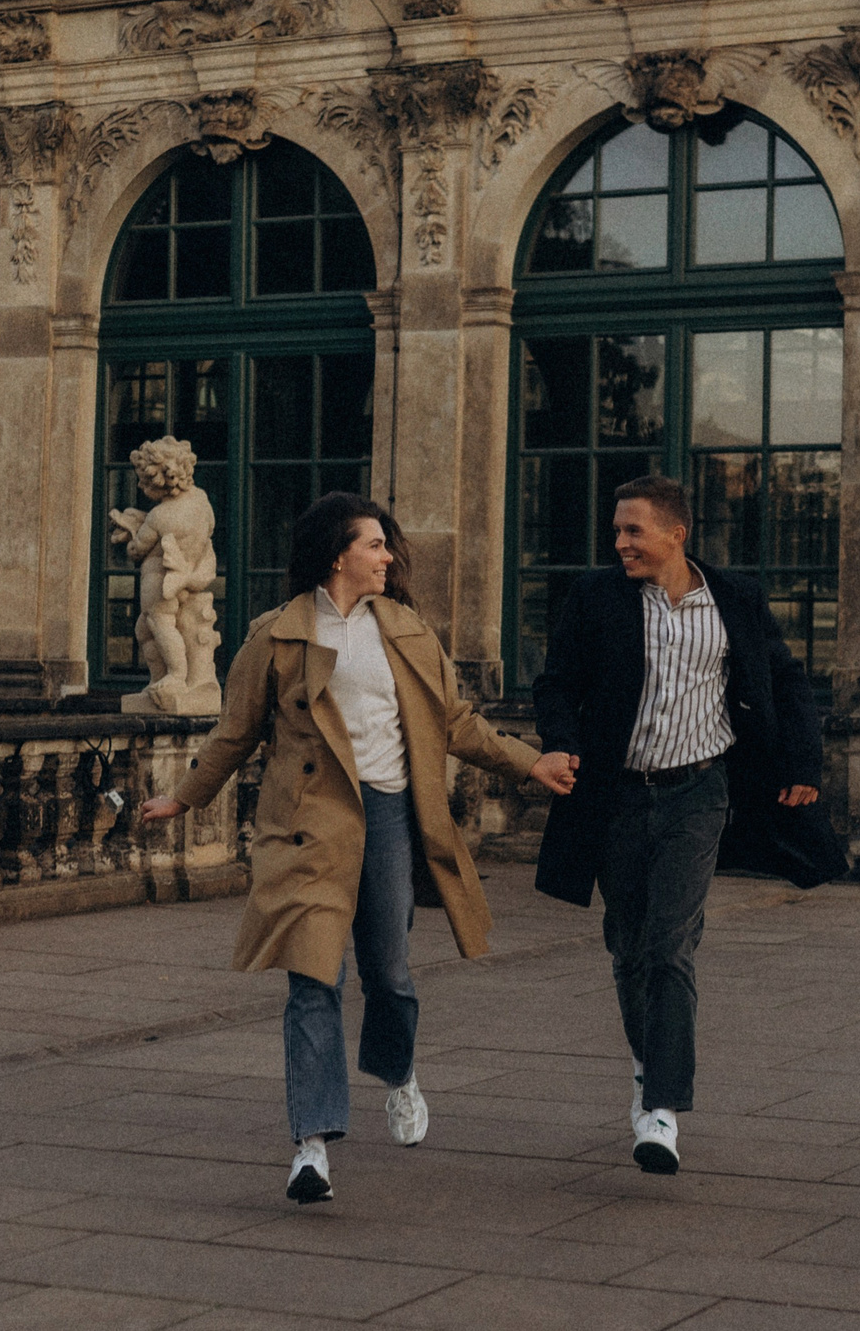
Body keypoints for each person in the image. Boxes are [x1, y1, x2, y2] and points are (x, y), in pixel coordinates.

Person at [143, 493, 578, 1203]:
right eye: (374, 544)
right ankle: (311, 1145)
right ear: (337, 555)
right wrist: (183, 797)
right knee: (314, 979)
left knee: (390, 972)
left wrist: (532, 763)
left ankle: (398, 1072)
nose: (387, 556)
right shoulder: (277, 636)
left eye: (385, 544)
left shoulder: (406, 629)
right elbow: (235, 731)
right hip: (310, 821)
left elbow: (457, 723)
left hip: (391, 814)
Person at [531, 473, 838, 1174]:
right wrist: (558, 740)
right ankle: (650, 1064)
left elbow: (785, 679)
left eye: (633, 530)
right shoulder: (596, 597)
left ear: (676, 533)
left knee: (671, 944)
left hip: (699, 792)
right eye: (616, 530)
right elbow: (556, 683)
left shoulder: (735, 599)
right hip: (616, 796)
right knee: (629, 945)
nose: (620, 542)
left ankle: (662, 1107)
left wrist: (803, 760)